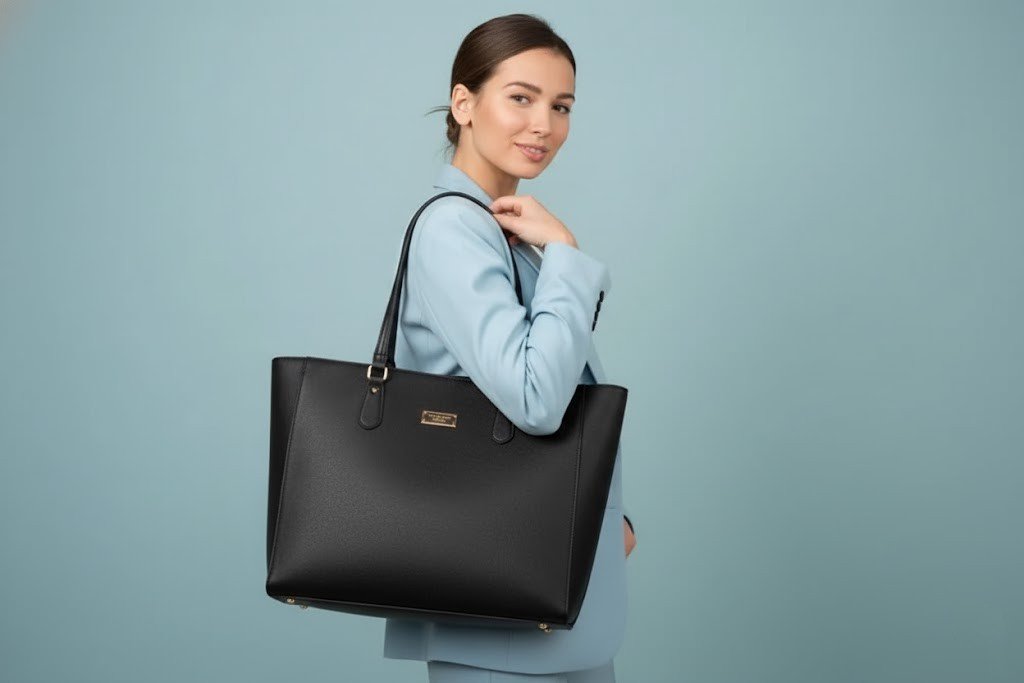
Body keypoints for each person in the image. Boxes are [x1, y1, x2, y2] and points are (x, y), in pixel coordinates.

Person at [384, 13, 637, 683]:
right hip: (499, 605)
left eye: (561, 106)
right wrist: (568, 256)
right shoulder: (452, 233)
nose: (544, 125)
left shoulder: (505, 233)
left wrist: (608, 512)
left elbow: (557, 378)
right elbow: (534, 399)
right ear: (464, 103)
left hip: (550, 586)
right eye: (521, 97)